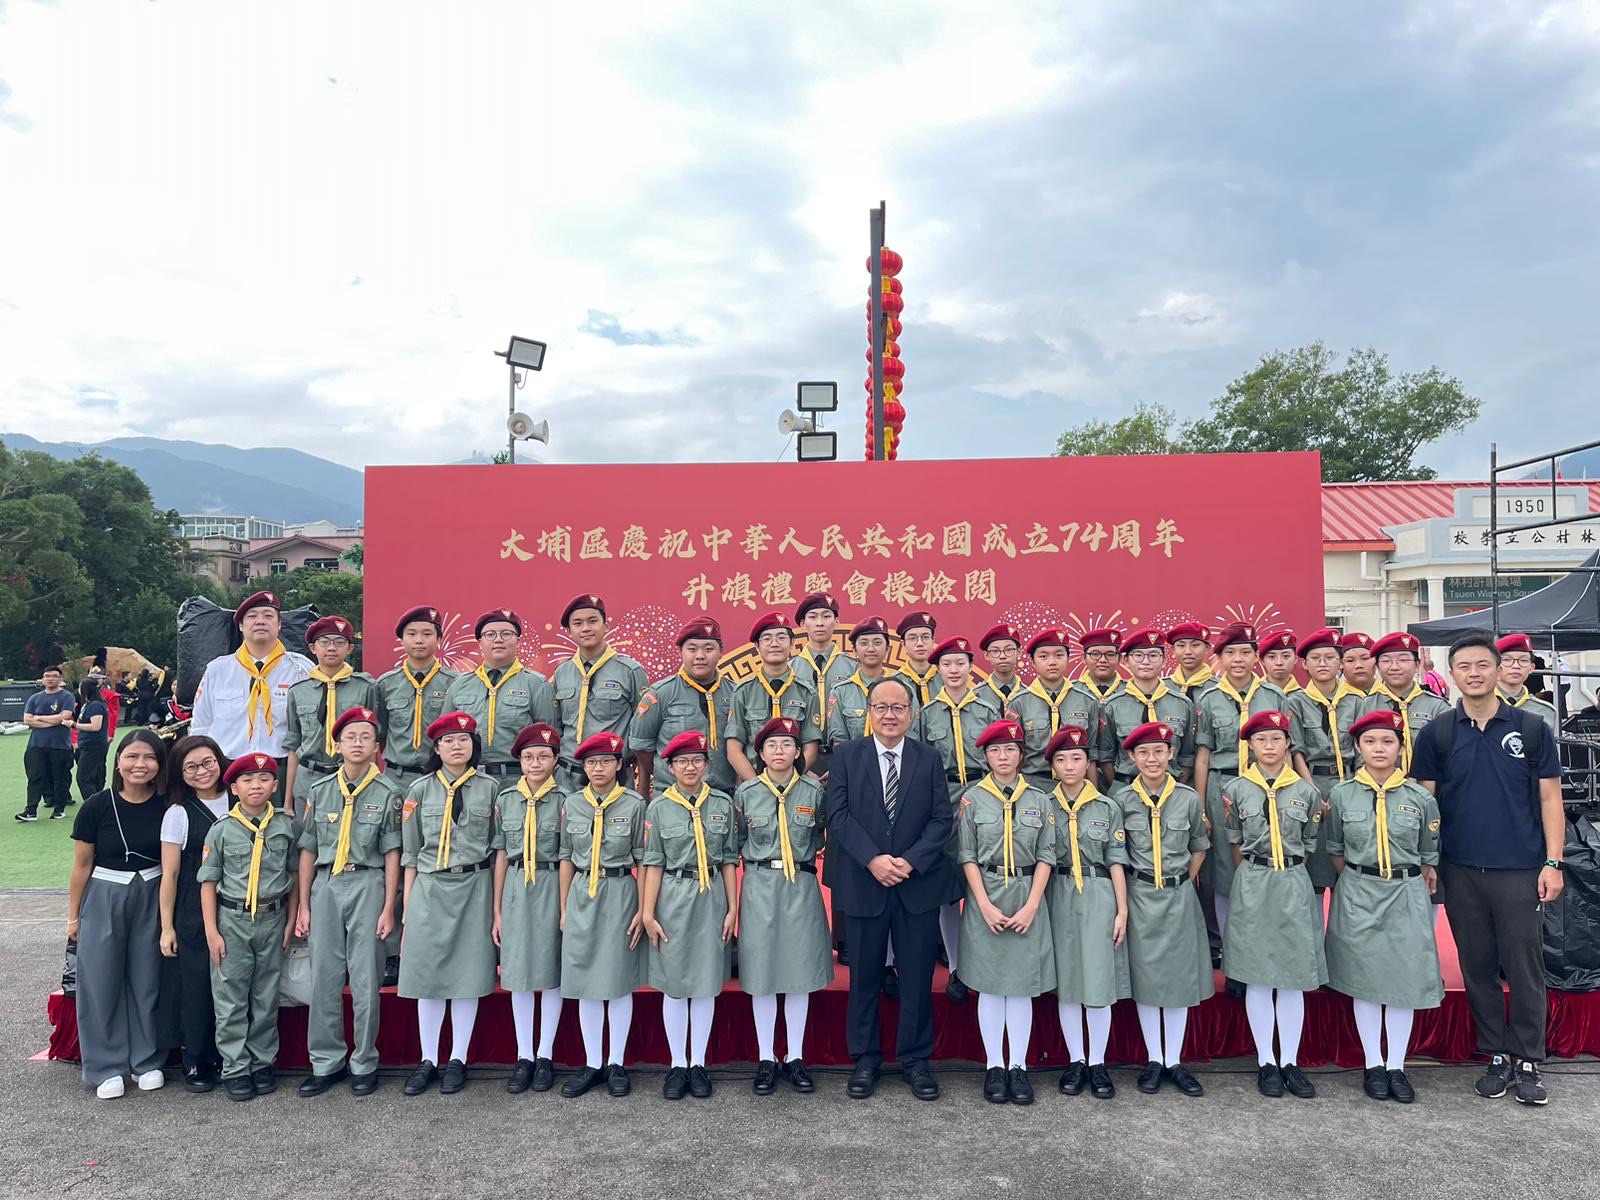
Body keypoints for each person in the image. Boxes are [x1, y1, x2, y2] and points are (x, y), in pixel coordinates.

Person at [1411, 633, 1565, 1107]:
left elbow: (1550, 799)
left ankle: (1528, 1057)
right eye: (1464, 666)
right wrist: (1428, 861)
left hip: (1520, 868)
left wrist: (1553, 862)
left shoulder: (1531, 729)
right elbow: (1425, 805)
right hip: (1460, 869)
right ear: (1451, 674)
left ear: (1498, 670)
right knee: (1477, 966)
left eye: (1483, 664)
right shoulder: (1437, 733)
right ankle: (1496, 1053)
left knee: (1524, 966)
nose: (1474, 673)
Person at [826, 676, 952, 1102]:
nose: (889, 715)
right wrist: (873, 860)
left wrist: (911, 861)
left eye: (898, 707)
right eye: (881, 707)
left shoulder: (928, 758)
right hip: (865, 882)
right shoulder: (847, 755)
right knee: (864, 976)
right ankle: (865, 1059)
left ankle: (916, 1060)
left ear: (910, 714)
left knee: (916, 977)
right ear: (869, 712)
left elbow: (941, 819)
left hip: (916, 884)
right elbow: (838, 815)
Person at [1324, 710, 1443, 1104]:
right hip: (1359, 891)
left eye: (1388, 741)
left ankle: (1397, 1065)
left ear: (1400, 748)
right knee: (1366, 979)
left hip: (1405, 892)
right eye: (1370, 742)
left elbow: (1428, 854)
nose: (1379, 749)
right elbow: (1336, 849)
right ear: (1358, 748)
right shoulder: (1341, 795)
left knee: (1402, 980)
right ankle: (1373, 1063)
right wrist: (1362, 878)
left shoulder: (1420, 799)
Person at [294, 706, 402, 1097]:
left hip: (368, 882)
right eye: (350, 737)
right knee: (323, 977)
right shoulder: (321, 791)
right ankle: (326, 1062)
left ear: (377, 747)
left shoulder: (389, 793)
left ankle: (364, 1061)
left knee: (365, 978)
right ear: (337, 745)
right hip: (327, 884)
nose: (358, 743)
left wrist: (388, 907)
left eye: (366, 737)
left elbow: (392, 852)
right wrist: (304, 904)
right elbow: (308, 848)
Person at [1221, 711, 1326, 1099]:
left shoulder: (1306, 792)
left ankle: (1290, 1061)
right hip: (1254, 879)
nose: (1269, 746)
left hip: (1293, 880)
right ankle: (1266, 1060)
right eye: (1261, 739)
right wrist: (1256, 871)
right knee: (1258, 973)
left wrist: (1286, 870)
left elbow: (1310, 839)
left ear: (1287, 744)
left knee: (1292, 975)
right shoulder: (1235, 789)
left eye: (1277, 739)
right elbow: (1235, 839)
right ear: (1250, 745)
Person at [398, 712, 501, 1096]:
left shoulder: (491, 789)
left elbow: (498, 848)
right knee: (428, 977)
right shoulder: (419, 791)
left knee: (467, 975)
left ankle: (457, 1058)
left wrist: (495, 908)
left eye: (464, 740)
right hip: (430, 886)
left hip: (474, 885)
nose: (457, 746)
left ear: (474, 746)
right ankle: (428, 1059)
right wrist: (407, 910)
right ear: (436, 749)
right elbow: (411, 854)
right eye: (448, 741)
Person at [956, 719, 1055, 1105]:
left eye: (1010, 749)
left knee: (1020, 988)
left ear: (1021, 755)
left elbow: (1046, 854)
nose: (1003, 756)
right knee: (990, 986)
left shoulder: (1039, 799)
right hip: (988, 894)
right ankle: (994, 1065)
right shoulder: (972, 799)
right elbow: (967, 854)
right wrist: (982, 904)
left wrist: (1032, 905)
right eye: (995, 750)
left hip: (1026, 895)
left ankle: (1018, 1065)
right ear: (985, 756)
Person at [66, 730, 169, 1099]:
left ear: (160, 765)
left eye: (150, 757)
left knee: (148, 978)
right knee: (100, 979)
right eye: (132, 756)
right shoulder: (96, 806)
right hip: (105, 894)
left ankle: (146, 1060)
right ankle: (106, 1066)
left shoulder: (168, 805)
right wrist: (73, 917)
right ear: (118, 761)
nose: (141, 764)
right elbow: (82, 865)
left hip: (153, 893)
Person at [734, 717, 833, 1095]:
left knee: (799, 972)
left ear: (798, 753)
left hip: (801, 885)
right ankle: (765, 1057)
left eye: (787, 745)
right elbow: (736, 841)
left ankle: (794, 1056)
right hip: (760, 884)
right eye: (771, 746)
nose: (779, 751)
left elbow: (821, 834)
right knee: (761, 972)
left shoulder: (813, 792)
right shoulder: (746, 794)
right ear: (760, 753)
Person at [1115, 721, 1211, 1097]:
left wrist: (1180, 881)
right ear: (1131, 757)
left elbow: (1199, 847)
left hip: (1177, 895)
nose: (1151, 759)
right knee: (1147, 978)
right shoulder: (1122, 800)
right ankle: (1155, 1058)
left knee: (1178, 977)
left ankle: (1174, 1059)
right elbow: (1117, 854)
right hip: (1140, 896)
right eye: (1143, 752)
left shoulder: (1188, 798)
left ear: (1171, 754)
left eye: (1158, 751)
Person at [641, 730, 738, 1099]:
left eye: (697, 760)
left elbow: (728, 859)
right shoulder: (659, 808)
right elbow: (653, 863)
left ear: (707, 765)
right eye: (682, 762)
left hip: (710, 895)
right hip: (673, 896)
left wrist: (732, 907)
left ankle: (698, 1063)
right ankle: (677, 1063)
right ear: (670, 767)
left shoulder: (722, 804)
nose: (690, 767)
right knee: (675, 983)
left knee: (706, 982)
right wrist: (648, 913)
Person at [198, 752, 299, 1102]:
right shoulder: (222, 830)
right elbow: (208, 882)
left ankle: (262, 1062)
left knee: (266, 995)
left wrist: (291, 919)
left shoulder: (285, 826)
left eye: (264, 779)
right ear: (234, 788)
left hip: (272, 917)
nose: (256, 786)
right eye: (247, 780)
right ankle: (235, 1067)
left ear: (275, 785)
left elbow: (294, 875)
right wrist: (212, 931)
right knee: (230, 997)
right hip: (232, 920)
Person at [558, 731, 647, 1098]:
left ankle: (616, 1062)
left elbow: (644, 858)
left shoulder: (634, 804)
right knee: (586, 980)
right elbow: (566, 856)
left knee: (618, 979)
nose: (598, 768)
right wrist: (564, 907)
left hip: (620, 890)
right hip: (582, 891)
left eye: (606, 761)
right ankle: (593, 1062)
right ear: (583, 767)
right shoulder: (572, 804)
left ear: (618, 765)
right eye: (591, 762)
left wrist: (643, 909)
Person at [1193, 623, 1295, 937]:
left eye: (1245, 652)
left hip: (1266, 789)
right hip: (1222, 787)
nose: (1238, 659)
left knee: (1266, 856)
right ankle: (1230, 944)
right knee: (1224, 865)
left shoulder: (1274, 696)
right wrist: (1202, 808)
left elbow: (1287, 750)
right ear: (1219, 658)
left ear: (1256, 657)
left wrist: (1289, 792)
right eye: (1230, 653)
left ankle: (1268, 937)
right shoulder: (1208, 698)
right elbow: (1203, 756)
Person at [373, 604, 458, 980]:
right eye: (412, 634)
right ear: (401, 641)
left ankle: (439, 945)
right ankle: (393, 950)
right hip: (395, 779)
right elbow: (377, 736)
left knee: (438, 860)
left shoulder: (455, 684)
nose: (419, 640)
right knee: (394, 859)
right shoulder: (385, 685)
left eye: (427, 634)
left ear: (438, 639)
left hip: (438, 783)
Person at [1043, 725, 1128, 1101]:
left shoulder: (1107, 807)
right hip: (1058, 893)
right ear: (1053, 766)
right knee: (1069, 983)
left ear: (1088, 763)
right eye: (1061, 759)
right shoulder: (1044, 806)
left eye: (1077, 758)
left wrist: (1122, 910)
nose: (1070, 766)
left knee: (1097, 982)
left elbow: (1116, 861)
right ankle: (1076, 1059)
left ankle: (1097, 1061)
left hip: (1098, 894)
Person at [916, 635, 1001, 1001]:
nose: (954, 670)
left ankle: (985, 962)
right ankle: (955, 966)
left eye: (960, 663)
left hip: (984, 793)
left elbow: (1002, 753)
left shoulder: (988, 707)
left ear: (970, 666)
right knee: (948, 885)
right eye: (947, 664)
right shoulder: (926, 713)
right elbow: (919, 763)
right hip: (944, 796)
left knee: (986, 877)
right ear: (938, 670)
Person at [824, 613, 909, 980]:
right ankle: (845, 938)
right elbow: (837, 738)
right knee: (848, 856)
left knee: (894, 857)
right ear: (854, 649)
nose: (871, 648)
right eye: (864, 643)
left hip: (896, 779)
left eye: (878, 642)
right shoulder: (842, 690)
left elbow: (909, 734)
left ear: (887, 648)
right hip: (854, 782)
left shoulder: (901, 688)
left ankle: (895, 944)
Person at [492, 723, 567, 1094]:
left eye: (543, 756)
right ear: (519, 761)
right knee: (518, 971)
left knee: (551, 969)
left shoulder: (567, 800)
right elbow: (501, 854)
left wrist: (565, 906)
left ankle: (545, 1053)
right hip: (517, 884)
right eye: (528, 757)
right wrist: (496, 910)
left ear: (555, 760)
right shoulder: (506, 799)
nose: (536, 763)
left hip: (552, 882)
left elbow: (568, 855)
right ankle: (524, 1055)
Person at [157, 734, 231, 1093]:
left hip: (239, 902)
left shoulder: (240, 797)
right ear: (179, 773)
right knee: (196, 984)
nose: (201, 771)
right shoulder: (178, 813)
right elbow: (169, 874)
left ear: (220, 761)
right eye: (190, 767)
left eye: (207, 762)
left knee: (233, 982)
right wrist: (167, 927)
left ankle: (229, 1055)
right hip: (192, 906)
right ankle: (196, 1057)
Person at [190, 590, 313, 798]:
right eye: (252, 616)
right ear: (241, 625)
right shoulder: (218, 670)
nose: (260, 621)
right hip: (228, 769)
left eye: (268, 615)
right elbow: (201, 725)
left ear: (279, 624)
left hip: (282, 771)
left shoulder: (301, 669)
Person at [1286, 628, 1363, 908]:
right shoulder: (1294, 702)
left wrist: (1357, 788)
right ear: (1304, 664)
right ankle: (1316, 932)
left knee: (1351, 857)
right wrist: (1312, 792)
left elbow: (1362, 751)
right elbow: (1295, 750)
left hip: (1352, 783)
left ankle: (1347, 929)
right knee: (1316, 865)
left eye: (1329, 657)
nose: (1322, 663)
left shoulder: (1356, 701)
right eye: (1315, 658)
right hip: (1313, 782)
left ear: (1340, 663)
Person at [445, 608, 557, 785]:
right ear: (480, 643)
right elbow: (445, 735)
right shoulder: (459, 685)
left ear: (518, 641)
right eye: (490, 634)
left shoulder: (536, 684)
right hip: (468, 780)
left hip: (519, 779)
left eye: (506, 634)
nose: (498, 639)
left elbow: (549, 737)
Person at [284, 615, 379, 822]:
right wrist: (287, 799)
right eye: (324, 642)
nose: (331, 648)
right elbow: (293, 744)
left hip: (350, 774)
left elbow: (372, 740)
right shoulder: (298, 692)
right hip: (308, 776)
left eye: (339, 642)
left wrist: (370, 781)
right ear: (313, 648)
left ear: (350, 649)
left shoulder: (365, 687)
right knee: (306, 835)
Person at [631, 618, 737, 803]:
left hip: (721, 797)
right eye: (692, 649)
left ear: (721, 651)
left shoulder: (735, 693)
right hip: (671, 796)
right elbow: (642, 746)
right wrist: (669, 773)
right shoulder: (661, 694)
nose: (700, 656)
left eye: (709, 649)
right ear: (680, 651)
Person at [551, 594, 649, 792]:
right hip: (567, 778)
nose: (586, 628)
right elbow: (556, 726)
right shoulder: (562, 673)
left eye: (592, 621)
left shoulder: (630, 671)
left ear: (606, 626)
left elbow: (643, 731)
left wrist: (644, 785)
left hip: (614, 777)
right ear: (569, 631)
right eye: (577, 623)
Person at [725, 611, 822, 782]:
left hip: (796, 783)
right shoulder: (742, 691)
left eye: (781, 638)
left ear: (792, 643)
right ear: (757, 646)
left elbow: (811, 748)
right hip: (754, 784)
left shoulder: (807, 692)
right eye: (767, 639)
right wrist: (758, 786)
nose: (775, 644)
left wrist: (791, 781)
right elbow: (734, 750)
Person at [1098, 626, 1198, 788]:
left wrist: (1175, 787)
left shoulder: (1183, 704)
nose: (1146, 662)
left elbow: (1187, 755)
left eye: (1153, 655)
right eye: (1138, 655)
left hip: (1171, 788)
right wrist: (1119, 788)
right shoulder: (1112, 705)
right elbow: (1105, 756)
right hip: (1126, 788)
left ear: (1164, 661)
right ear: (1125, 661)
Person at [1006, 629, 1100, 790]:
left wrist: (1093, 793)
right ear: (1033, 662)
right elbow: (1013, 754)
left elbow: (1091, 752)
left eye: (1059, 655)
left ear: (1068, 659)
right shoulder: (1019, 703)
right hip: (1033, 784)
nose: (1052, 662)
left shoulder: (1087, 701)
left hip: (1077, 785)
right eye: (1043, 656)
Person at [787, 592, 856, 781]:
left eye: (826, 616)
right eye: (813, 617)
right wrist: (801, 769)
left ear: (836, 622)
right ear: (803, 624)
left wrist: (842, 766)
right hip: (799, 757)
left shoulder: (853, 668)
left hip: (845, 756)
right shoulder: (790, 670)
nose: (820, 623)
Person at [1362, 632, 1451, 774]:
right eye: (1386, 661)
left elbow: (1447, 752)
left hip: (1425, 782)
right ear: (1377, 667)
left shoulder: (1437, 706)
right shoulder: (1365, 705)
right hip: (1378, 782)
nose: (1394, 667)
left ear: (1417, 665)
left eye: (1403, 660)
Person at [19, 665, 76, 821]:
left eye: (54, 676)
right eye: (47, 676)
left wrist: (39, 718)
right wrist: (51, 721)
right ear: (43, 679)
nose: (50, 679)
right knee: (35, 777)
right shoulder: (34, 698)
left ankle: (59, 808)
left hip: (59, 745)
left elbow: (64, 717)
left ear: (60, 679)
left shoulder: (67, 697)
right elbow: (27, 720)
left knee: (60, 778)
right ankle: (31, 810)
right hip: (36, 745)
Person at [1494, 633, 1559, 731]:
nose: (1516, 666)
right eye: (1507, 660)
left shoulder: (1545, 711)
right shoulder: (1476, 705)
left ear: (1532, 668)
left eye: (1523, 660)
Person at [72, 677, 110, 805]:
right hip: (88, 744)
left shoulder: (95, 705)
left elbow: (95, 726)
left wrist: (73, 725)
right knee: (94, 776)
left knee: (83, 778)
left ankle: (93, 805)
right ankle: (99, 803)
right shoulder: (88, 704)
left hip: (93, 745)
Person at [894, 611, 942, 706]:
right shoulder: (894, 683)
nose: (920, 643)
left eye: (925, 637)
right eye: (912, 638)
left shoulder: (946, 679)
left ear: (933, 640)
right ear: (903, 644)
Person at [976, 623, 1025, 711]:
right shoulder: (976, 696)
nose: (1002, 656)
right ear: (986, 655)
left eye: (1009, 650)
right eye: (995, 651)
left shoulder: (1029, 695)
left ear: (1019, 652)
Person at [1073, 627, 1125, 705]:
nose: (1102, 660)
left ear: (1120, 658)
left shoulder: (1131, 692)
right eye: (1095, 654)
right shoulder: (1070, 692)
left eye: (1110, 655)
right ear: (1084, 658)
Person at [1165, 622, 1214, 700]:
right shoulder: (1162, 688)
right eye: (1181, 645)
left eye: (1195, 645)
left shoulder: (1220, 688)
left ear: (1207, 648)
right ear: (1173, 650)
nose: (1188, 652)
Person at [1339, 631, 1377, 695]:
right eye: (1350, 660)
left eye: (1365, 658)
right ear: (1340, 664)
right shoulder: (1335, 697)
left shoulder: (1390, 692)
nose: (1359, 665)